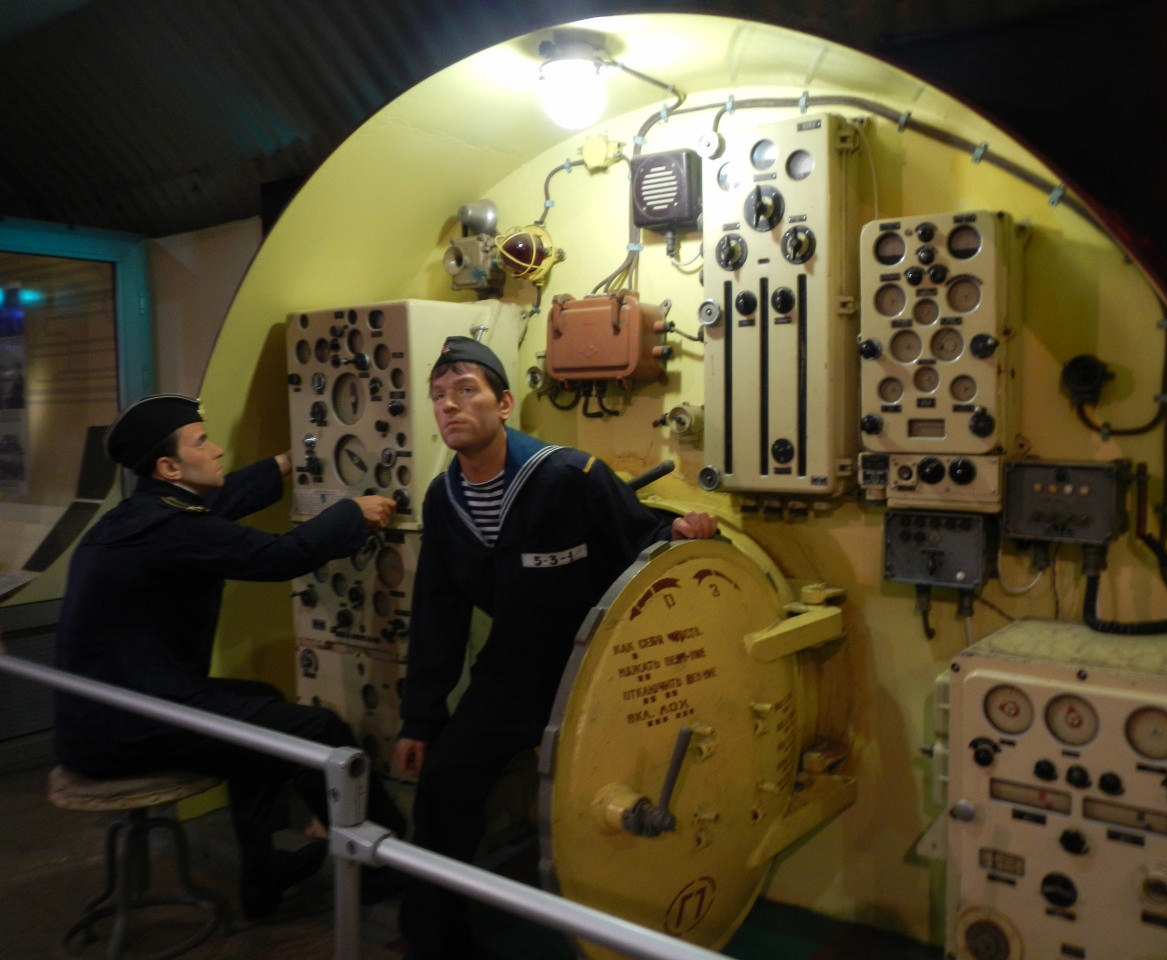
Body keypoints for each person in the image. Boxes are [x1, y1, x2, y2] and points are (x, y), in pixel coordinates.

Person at [395, 337, 717, 959]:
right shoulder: (443, 499)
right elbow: (438, 610)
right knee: (444, 782)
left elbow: (641, 539)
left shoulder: (570, 476)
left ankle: (628, 931)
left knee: (609, 806)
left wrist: (685, 534)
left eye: (465, 390)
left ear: (504, 404)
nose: (449, 405)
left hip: (597, 669)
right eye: (438, 395)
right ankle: (433, 941)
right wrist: (421, 718)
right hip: (512, 673)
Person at [54, 394, 407, 918]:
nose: (217, 450)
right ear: (169, 467)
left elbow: (220, 500)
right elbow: (280, 557)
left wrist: (289, 461)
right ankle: (391, 869)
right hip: (130, 728)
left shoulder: (138, 516)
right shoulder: (171, 529)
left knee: (259, 704)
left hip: (101, 719)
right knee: (321, 732)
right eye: (202, 442)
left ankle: (263, 876)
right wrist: (350, 512)